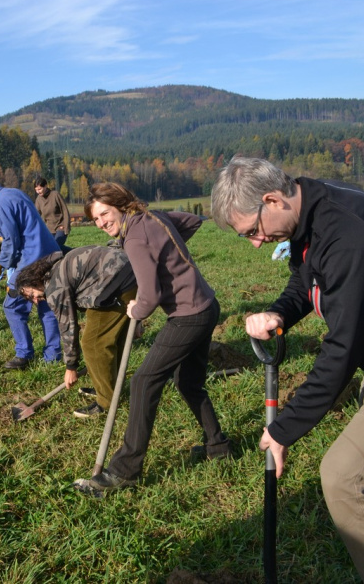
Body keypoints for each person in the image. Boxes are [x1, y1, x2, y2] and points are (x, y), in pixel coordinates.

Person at [211, 156, 364, 583]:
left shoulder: (347, 234)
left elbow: (341, 350)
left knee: (347, 477)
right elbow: (307, 278)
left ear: (272, 199)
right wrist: (279, 313)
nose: (257, 243)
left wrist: (284, 427)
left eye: (253, 231)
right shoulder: (309, 209)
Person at [75, 182, 230, 495]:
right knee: (188, 381)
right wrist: (167, 254)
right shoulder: (152, 217)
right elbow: (191, 221)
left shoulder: (135, 237)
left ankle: (124, 471)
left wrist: (138, 308)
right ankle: (218, 447)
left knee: (143, 382)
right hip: (206, 305)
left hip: (188, 315)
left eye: (105, 213)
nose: (102, 222)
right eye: (96, 219)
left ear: (119, 205)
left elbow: (150, 295)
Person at [15, 246, 137, 417]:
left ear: (36, 281)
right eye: (30, 299)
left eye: (32, 294)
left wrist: (71, 366)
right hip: (129, 272)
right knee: (112, 340)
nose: (36, 301)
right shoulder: (55, 268)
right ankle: (109, 389)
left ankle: (106, 401)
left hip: (115, 283)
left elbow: (68, 326)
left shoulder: (55, 287)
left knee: (93, 344)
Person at [0, 172, 62, 369]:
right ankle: (53, 356)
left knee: (13, 306)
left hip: (31, 261)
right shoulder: (14, 193)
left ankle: (24, 354)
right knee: (46, 305)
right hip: (50, 254)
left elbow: (12, 242)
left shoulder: (0, 205)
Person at [33, 176, 71, 246]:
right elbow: (36, 215)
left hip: (60, 227)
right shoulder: (38, 199)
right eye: (36, 190)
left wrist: (66, 227)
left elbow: (65, 211)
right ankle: (74, 252)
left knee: (55, 246)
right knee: (51, 249)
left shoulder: (55, 195)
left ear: (45, 186)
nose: (38, 192)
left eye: (39, 189)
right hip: (49, 230)